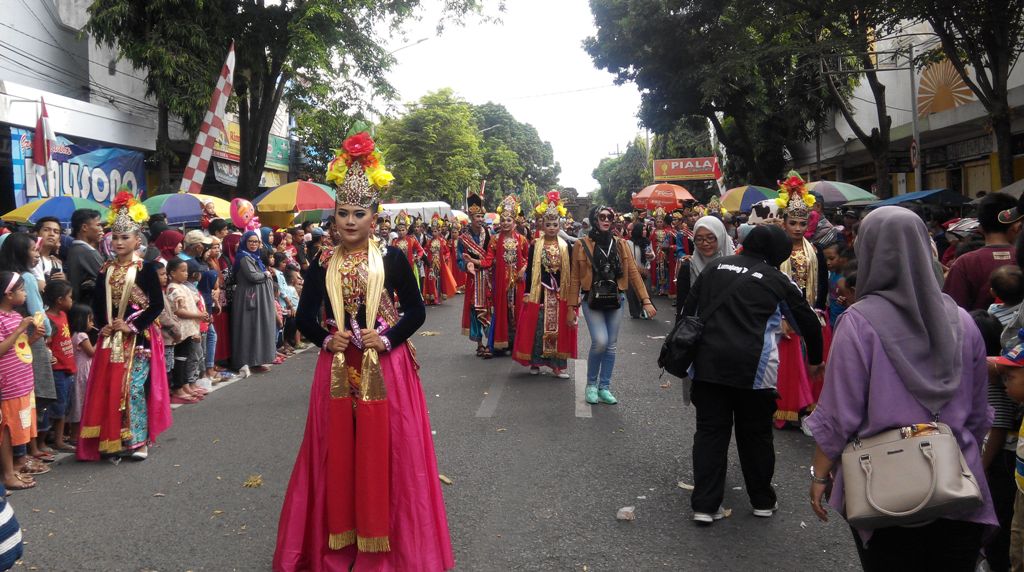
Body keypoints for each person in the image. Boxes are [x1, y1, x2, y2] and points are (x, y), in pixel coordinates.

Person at [275, 134, 453, 571]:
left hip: (387, 368)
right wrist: (324, 338)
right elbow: (303, 317)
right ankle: (337, 546)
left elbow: (414, 311)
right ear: (333, 216)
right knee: (335, 453)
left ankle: (390, 548)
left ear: (375, 218)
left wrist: (387, 338)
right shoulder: (322, 262)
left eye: (359, 213)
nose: (350, 221)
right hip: (336, 369)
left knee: (388, 453)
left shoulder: (392, 258)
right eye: (343, 213)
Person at [806, 206, 996, 571]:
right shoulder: (962, 322)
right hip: (958, 482)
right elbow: (977, 414)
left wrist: (819, 475)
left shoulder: (858, 324)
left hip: (885, 487)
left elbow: (839, 415)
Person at [682, 224, 823, 524]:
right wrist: (815, 359)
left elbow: (688, 311)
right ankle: (761, 500)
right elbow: (808, 322)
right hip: (755, 374)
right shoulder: (777, 279)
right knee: (755, 435)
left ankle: (705, 506)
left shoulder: (715, 267)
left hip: (707, 367)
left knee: (710, 433)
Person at [77, 192, 171, 462]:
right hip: (111, 338)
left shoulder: (147, 269)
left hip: (138, 337)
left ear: (137, 240)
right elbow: (97, 304)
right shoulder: (105, 270)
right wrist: (103, 327)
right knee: (109, 387)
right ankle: (112, 439)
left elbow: (155, 306)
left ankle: (138, 439)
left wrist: (131, 326)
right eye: (115, 237)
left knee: (131, 387)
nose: (118, 242)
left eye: (124, 237)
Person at [567, 206, 656, 405]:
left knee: (611, 345)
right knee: (600, 341)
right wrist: (571, 307)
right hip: (592, 299)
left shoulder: (621, 244)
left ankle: (604, 387)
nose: (606, 220)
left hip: (616, 298)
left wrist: (646, 300)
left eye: (610, 217)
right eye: (602, 217)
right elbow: (574, 278)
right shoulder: (582, 245)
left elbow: (633, 272)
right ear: (594, 219)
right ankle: (591, 384)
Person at [774, 173, 828, 428]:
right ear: (783, 222)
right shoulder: (775, 251)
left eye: (802, 223)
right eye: (793, 222)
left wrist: (818, 310)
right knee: (788, 364)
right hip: (784, 316)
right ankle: (786, 407)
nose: (797, 228)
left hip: (809, 312)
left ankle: (808, 406)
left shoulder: (814, 252)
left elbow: (822, 285)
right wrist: (781, 317)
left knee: (811, 357)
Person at [512, 192, 577, 378]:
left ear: (560, 226)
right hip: (539, 291)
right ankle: (536, 363)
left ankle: (557, 366)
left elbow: (570, 272)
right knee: (538, 327)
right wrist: (526, 292)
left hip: (559, 295)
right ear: (542, 224)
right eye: (548, 224)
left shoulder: (566, 246)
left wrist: (573, 296)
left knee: (558, 328)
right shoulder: (535, 245)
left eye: (555, 225)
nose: (551, 228)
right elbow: (532, 270)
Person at [944, 192, 1020, 311]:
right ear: (1017, 227)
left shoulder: (964, 263)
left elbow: (951, 313)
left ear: (980, 228)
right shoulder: (1020, 258)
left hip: (976, 329)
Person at [480, 195, 529, 357]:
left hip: (518, 282)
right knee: (502, 311)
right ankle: (501, 343)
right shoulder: (494, 240)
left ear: (514, 222)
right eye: (503, 220)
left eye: (509, 220)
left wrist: (523, 269)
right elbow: (488, 260)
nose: (506, 223)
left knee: (517, 311)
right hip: (501, 282)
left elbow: (530, 258)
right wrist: (472, 261)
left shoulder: (522, 240)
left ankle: (517, 345)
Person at [231, 230, 277, 376]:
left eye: (256, 242)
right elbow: (253, 276)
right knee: (249, 328)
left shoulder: (254, 257)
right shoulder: (243, 257)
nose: (253, 244)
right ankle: (246, 360)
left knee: (260, 327)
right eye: (250, 241)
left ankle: (258, 360)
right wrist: (266, 274)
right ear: (244, 242)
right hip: (250, 298)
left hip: (259, 297)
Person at [674, 216, 734, 321]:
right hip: (697, 329)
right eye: (699, 239)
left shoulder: (735, 267)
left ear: (720, 237)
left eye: (710, 237)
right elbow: (682, 307)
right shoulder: (688, 267)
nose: (705, 243)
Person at [458, 193, 493, 357]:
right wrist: (467, 264)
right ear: (471, 217)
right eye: (476, 216)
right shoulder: (463, 238)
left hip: (488, 277)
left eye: (481, 216)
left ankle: (490, 342)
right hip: (473, 279)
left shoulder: (489, 234)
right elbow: (459, 258)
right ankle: (479, 343)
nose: (479, 219)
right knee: (475, 310)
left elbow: (493, 254)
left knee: (489, 308)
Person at [43, 280, 76, 453]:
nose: (72, 300)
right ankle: (56, 440)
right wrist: (51, 357)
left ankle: (58, 436)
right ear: (59, 300)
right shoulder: (48, 319)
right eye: (70, 297)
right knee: (58, 406)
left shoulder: (63, 315)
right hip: (57, 370)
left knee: (65, 404)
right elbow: (46, 343)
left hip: (68, 367)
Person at [67, 303, 94, 441]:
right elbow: (92, 352)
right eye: (90, 320)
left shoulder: (73, 334)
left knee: (78, 401)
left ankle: (74, 434)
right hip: (82, 372)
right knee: (80, 402)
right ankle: (75, 436)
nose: (92, 323)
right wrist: (102, 338)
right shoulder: (82, 335)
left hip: (77, 371)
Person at [422, 214, 456, 306]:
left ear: (438, 231)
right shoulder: (429, 242)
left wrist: (445, 258)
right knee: (431, 279)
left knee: (439, 279)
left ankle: (438, 296)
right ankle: (433, 296)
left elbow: (447, 252)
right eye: (432, 231)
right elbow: (424, 250)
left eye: (435, 231)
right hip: (431, 263)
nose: (434, 233)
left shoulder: (442, 241)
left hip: (440, 263)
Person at [31, 217, 65, 286]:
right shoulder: (32, 259)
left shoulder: (57, 264)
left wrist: (63, 281)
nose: (52, 234)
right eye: (46, 230)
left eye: (56, 232)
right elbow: (41, 287)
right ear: (36, 234)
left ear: (59, 238)